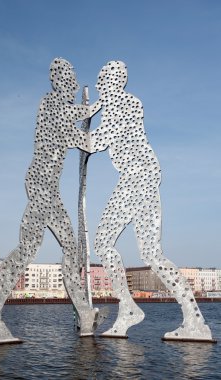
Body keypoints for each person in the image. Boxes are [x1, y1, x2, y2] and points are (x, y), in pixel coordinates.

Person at [0, 58, 101, 342]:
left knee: (59, 249)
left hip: (48, 188)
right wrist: (95, 109)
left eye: (72, 81)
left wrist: (90, 114)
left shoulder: (60, 107)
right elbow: (80, 135)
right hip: (41, 184)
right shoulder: (51, 104)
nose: (70, 85)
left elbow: (78, 126)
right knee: (39, 248)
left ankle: (83, 314)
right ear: (58, 81)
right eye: (68, 80)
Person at [89, 60, 213, 340]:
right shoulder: (120, 104)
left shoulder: (123, 104)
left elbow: (98, 141)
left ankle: (128, 307)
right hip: (144, 177)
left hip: (137, 178)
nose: (98, 86)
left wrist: (69, 135)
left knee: (103, 243)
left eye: (101, 81)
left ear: (112, 82)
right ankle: (194, 320)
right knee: (151, 254)